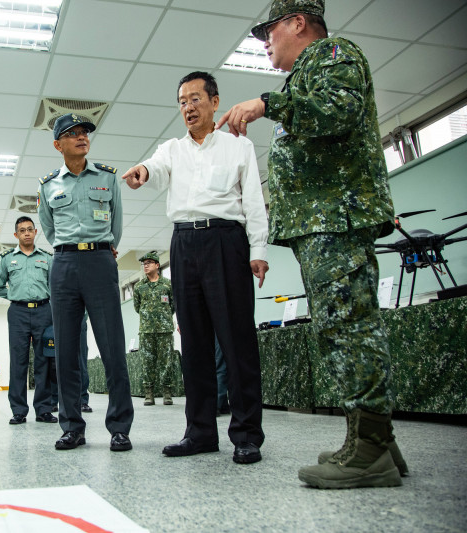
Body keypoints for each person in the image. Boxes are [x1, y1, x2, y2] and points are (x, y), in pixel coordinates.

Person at [216, 0, 405, 488]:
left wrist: (267, 104)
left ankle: (371, 450)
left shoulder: (334, 53)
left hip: (336, 220)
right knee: (340, 329)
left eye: (269, 31)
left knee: (347, 328)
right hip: (322, 223)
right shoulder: (304, 74)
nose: (266, 42)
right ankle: (373, 439)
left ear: (298, 23)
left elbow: (338, 112)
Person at [121, 71, 269, 464]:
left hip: (226, 242)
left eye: (195, 98)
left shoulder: (239, 147)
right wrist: (142, 172)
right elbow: (153, 167)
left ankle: (246, 434)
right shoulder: (172, 149)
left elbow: (253, 200)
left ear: (215, 101)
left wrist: (259, 248)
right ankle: (201, 431)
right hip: (183, 245)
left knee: (237, 342)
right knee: (195, 345)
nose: (188, 106)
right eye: (182, 101)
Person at [38, 113, 134, 452]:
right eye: (73, 133)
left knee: (112, 349)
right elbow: (48, 229)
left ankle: (120, 427)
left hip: (99, 262)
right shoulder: (48, 184)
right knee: (65, 352)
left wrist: (101, 250)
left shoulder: (107, 179)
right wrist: (68, 251)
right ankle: (72, 427)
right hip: (63, 264)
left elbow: (117, 224)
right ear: (58, 144)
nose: (82, 137)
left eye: (85, 133)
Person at [0, 216, 56, 425]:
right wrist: (14, 296)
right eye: (22, 230)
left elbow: (55, 287)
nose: (26, 233)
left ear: (35, 232)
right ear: (16, 235)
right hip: (18, 313)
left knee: (43, 362)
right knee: (18, 362)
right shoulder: (8, 259)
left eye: (30, 229)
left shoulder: (47, 259)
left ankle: (44, 409)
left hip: (44, 312)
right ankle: (18, 411)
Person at [132, 251, 175, 406]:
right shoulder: (139, 286)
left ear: (157, 265)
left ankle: (167, 393)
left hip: (165, 330)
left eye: (149, 262)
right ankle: (149, 394)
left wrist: (163, 318)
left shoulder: (167, 284)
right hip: (146, 330)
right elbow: (137, 307)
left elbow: (173, 305)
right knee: (147, 362)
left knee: (166, 362)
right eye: (144, 263)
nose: (146, 265)